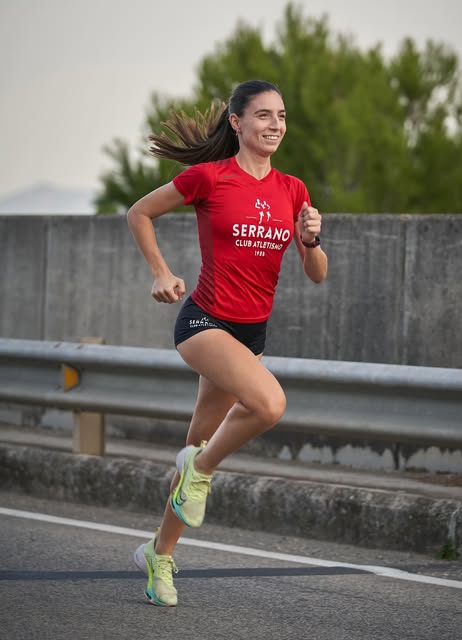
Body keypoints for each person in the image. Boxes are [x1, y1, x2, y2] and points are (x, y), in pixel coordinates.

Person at [127, 79, 328, 607]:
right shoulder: (208, 177)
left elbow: (317, 274)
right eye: (263, 115)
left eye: (281, 116)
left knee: (193, 448)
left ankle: (159, 555)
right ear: (237, 123)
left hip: (250, 333)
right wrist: (160, 273)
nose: (275, 125)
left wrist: (310, 240)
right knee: (268, 404)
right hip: (204, 323)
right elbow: (139, 212)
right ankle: (203, 470)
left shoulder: (293, 190)